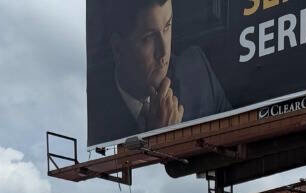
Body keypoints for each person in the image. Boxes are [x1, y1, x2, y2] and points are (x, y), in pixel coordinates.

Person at [89, 0, 232, 145]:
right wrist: (158, 142)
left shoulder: (196, 68)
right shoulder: (92, 117)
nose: (164, 52)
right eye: (149, 37)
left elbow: (234, 137)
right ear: (118, 49)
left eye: (167, 27)